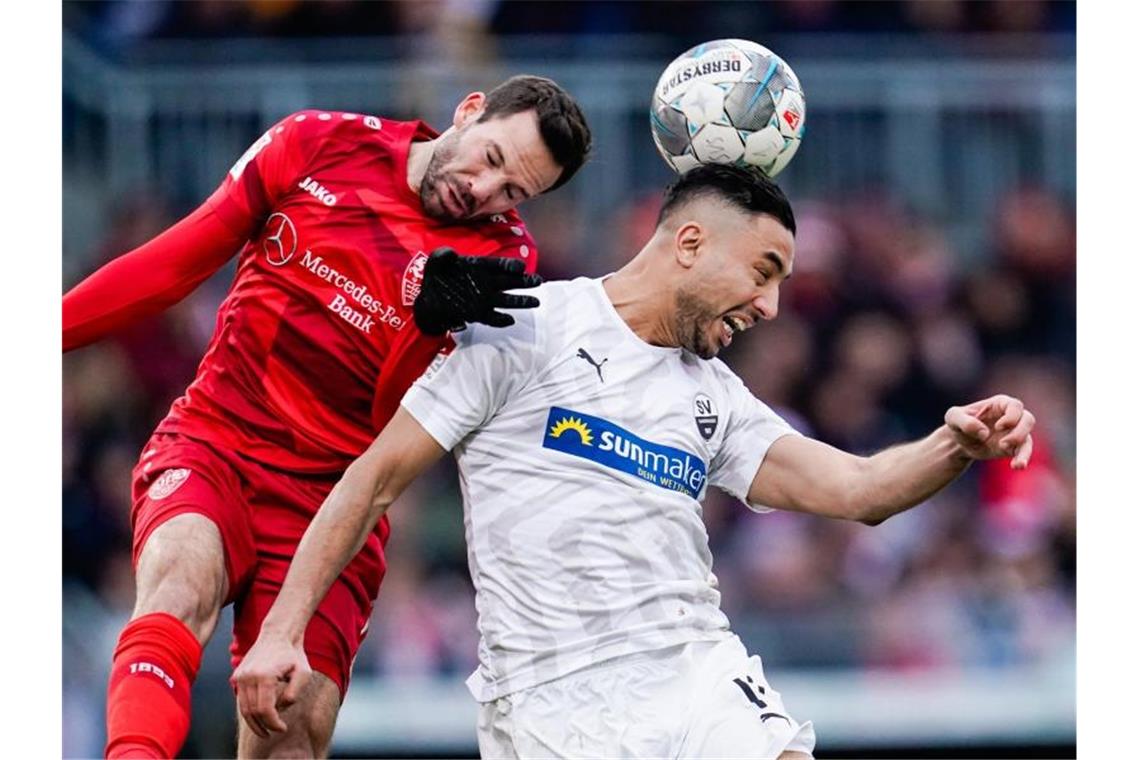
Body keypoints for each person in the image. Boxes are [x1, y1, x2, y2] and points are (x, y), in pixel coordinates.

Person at [231, 163, 1036, 759]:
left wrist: (953, 445)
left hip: (692, 667)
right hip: (550, 701)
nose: (771, 306)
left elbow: (859, 489)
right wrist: (281, 633)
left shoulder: (716, 397)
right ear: (689, 243)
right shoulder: (527, 328)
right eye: (764, 272)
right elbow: (369, 484)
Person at [62, 75, 592, 759]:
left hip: (332, 503)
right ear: (467, 111)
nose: (485, 193)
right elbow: (174, 264)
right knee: (177, 583)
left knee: (295, 725)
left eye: (514, 192)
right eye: (490, 158)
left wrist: (425, 329)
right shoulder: (318, 142)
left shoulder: (499, 267)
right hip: (216, 440)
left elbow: (415, 436)